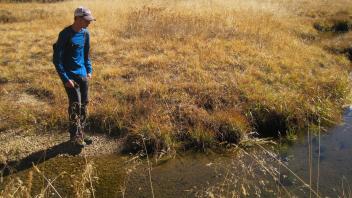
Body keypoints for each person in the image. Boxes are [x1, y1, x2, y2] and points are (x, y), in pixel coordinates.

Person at [53, 6, 95, 146]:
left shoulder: (85, 34)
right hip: (70, 77)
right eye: (86, 20)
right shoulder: (65, 34)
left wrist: (89, 69)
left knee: (84, 104)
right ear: (77, 18)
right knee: (75, 105)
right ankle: (74, 136)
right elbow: (57, 59)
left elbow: (86, 54)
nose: (89, 22)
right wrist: (65, 79)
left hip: (83, 75)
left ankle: (81, 133)